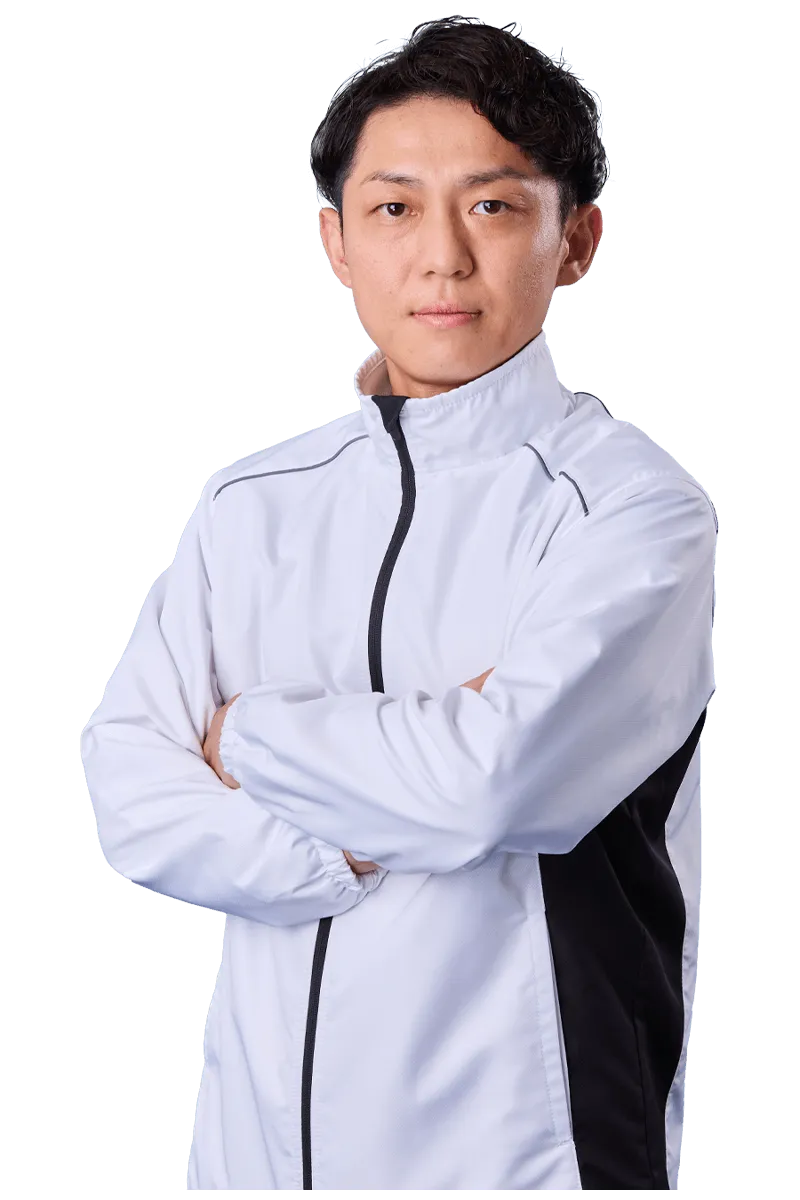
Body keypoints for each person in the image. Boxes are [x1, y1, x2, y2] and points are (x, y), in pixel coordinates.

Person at [81, 16, 716, 1193]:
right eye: (392, 208)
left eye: (492, 206)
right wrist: (376, 817)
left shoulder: (633, 509)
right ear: (332, 238)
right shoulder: (249, 502)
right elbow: (132, 802)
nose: (441, 258)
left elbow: (493, 783)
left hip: (528, 1148)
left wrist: (243, 737)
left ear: (576, 239)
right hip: (258, 1151)